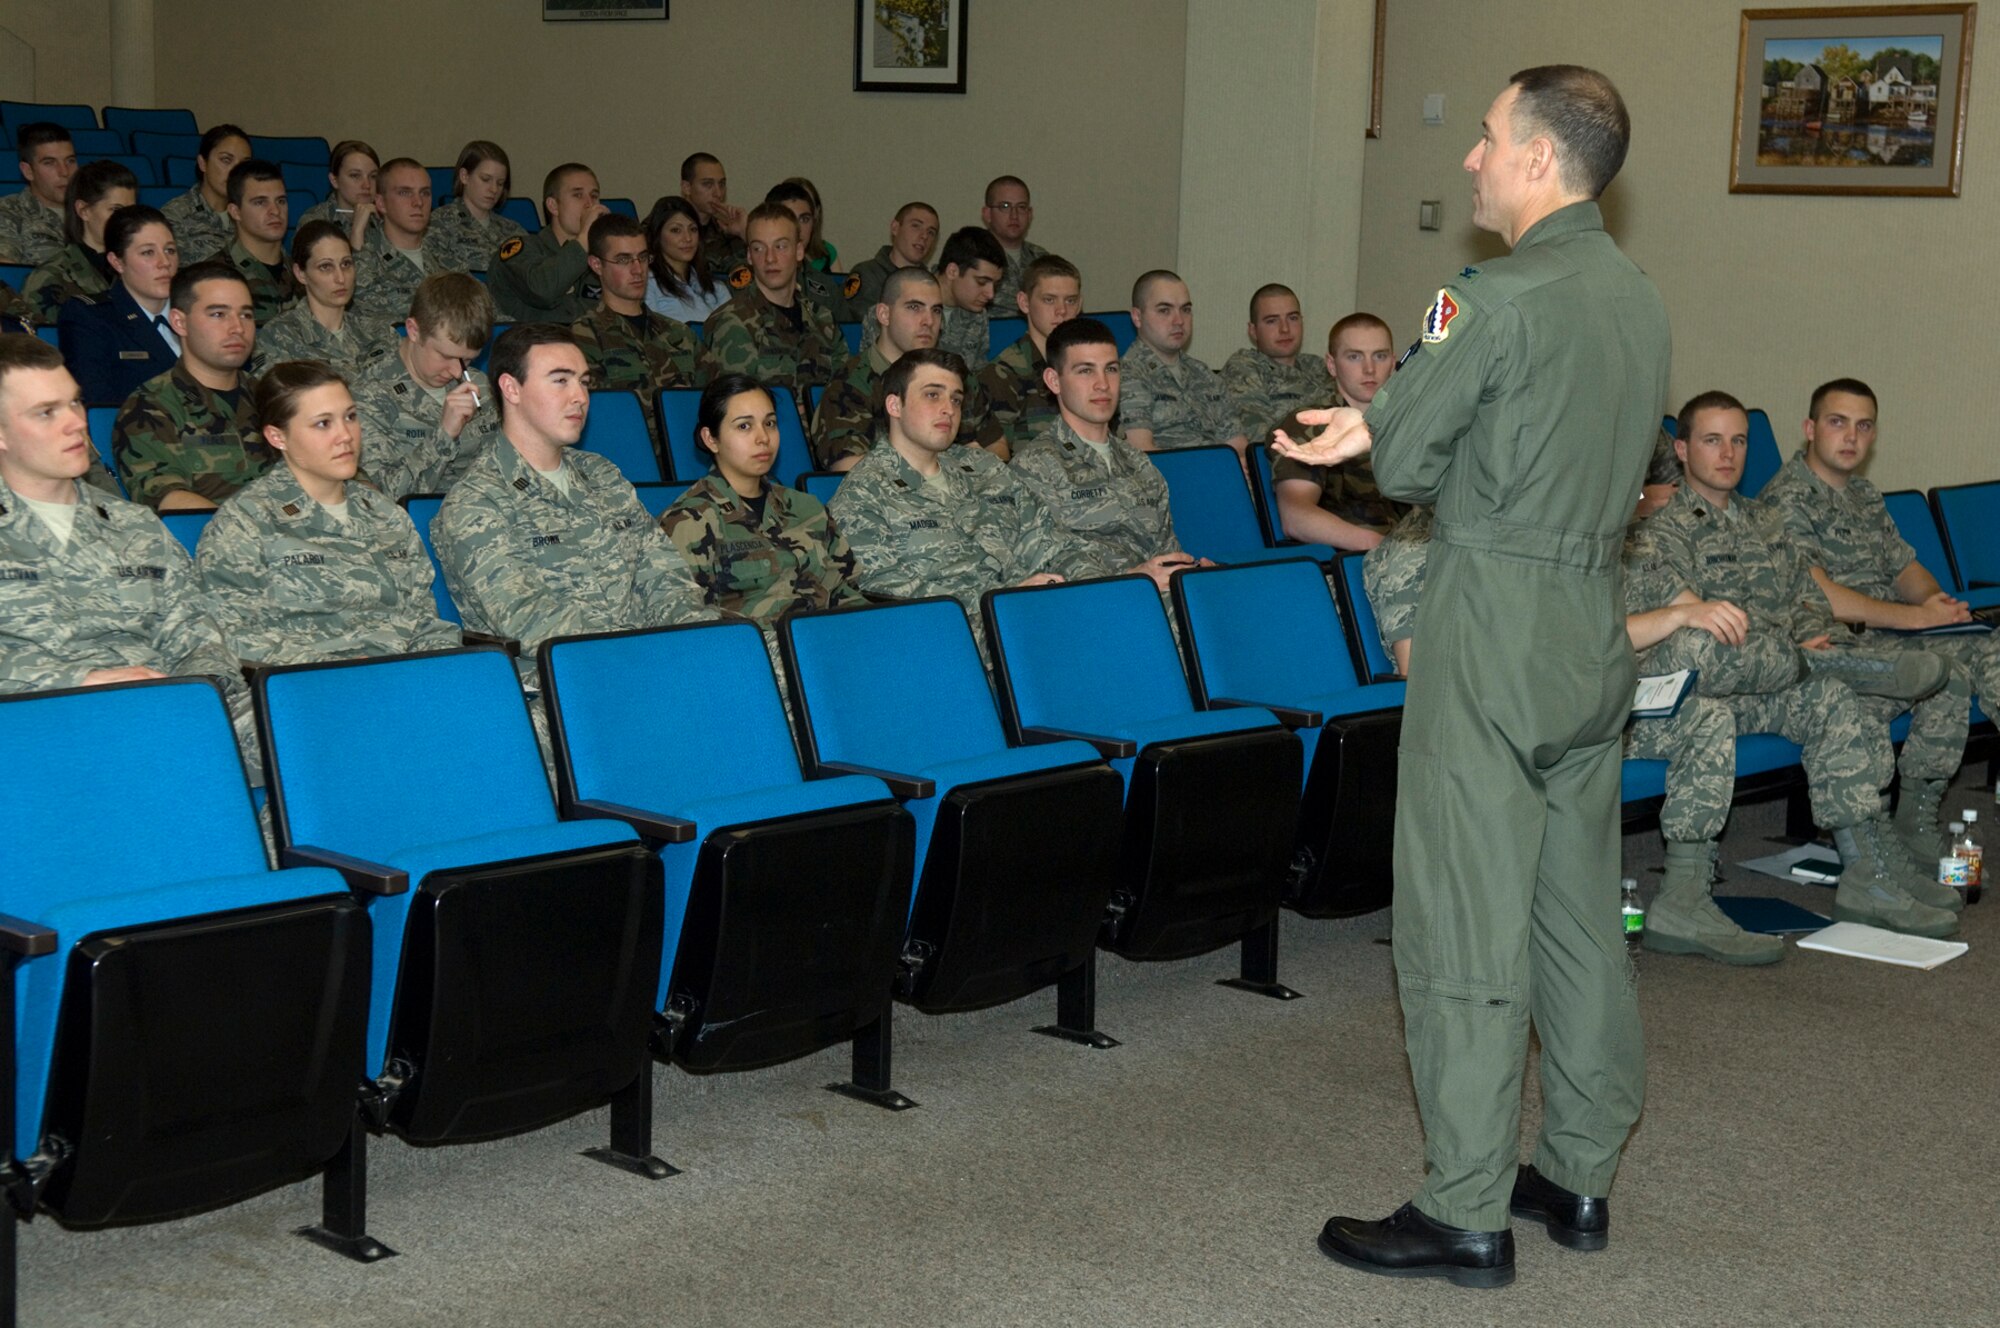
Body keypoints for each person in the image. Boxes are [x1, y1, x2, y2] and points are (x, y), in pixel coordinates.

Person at [1282, 67, 1669, 1288]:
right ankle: (1577, 1170)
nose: (1471, 161)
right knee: (1575, 913)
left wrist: (1365, 428)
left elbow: (1408, 461)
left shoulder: (1482, 296)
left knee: (1459, 911)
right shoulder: (1636, 298)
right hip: (1588, 622)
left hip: (1492, 616)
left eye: (1489, 140)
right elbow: (1510, 432)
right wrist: (1388, 422)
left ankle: (1461, 1206)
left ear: (1541, 160)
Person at [1638, 391, 1963, 939]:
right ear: (1683, 447)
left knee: (1834, 701)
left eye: (1738, 441)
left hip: (1769, 682)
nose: (1728, 454)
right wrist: (1798, 651)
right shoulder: (1659, 530)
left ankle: (1868, 870)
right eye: (1712, 440)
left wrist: (1811, 631)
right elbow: (1697, 630)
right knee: (1722, 650)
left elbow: (1804, 593)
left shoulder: (1763, 521)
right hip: (1702, 690)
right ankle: (1850, 669)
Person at [1755, 376, 1994, 863]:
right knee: (1946, 673)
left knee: (1990, 649)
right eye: (1838, 423)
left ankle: (1916, 816)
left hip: (1896, 631)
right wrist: (1917, 620)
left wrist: (1938, 606)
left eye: (1864, 426)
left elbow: (1904, 566)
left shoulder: (1863, 494)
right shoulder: (1784, 500)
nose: (1852, 437)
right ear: (1809, 428)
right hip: (1846, 642)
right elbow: (1822, 596)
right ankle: (1901, 826)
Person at [0, 333, 257, 764]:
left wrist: (188, 696)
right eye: (46, 413)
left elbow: (196, 634)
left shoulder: (135, 526)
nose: (76, 423)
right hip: (38, 726)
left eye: (75, 403)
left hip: (166, 709)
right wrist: (80, 680)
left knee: (307, 744)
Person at [431, 323, 711, 694]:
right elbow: (528, 619)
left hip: (653, 661)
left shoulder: (602, 474)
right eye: (560, 381)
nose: (580, 396)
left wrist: (698, 640)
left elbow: (663, 574)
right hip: (567, 686)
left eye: (583, 381)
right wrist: (646, 650)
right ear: (511, 388)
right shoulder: (476, 502)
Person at [832, 348, 1100, 658]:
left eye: (956, 400)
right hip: (951, 645)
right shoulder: (863, 492)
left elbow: (1051, 541)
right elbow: (888, 594)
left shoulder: (983, 467)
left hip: (1033, 620)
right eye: (933, 395)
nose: (948, 409)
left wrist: (1092, 587)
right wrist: (1005, 600)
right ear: (895, 405)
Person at [196, 359, 461, 664]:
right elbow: (234, 637)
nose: (346, 435)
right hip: (307, 689)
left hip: (402, 681)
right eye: (323, 423)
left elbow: (423, 620)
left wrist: (435, 673)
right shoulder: (244, 524)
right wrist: (336, 673)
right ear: (277, 437)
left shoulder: (386, 514)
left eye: (350, 417)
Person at [1011, 318, 1206, 590]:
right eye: (1085, 371)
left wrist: (1192, 572)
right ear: (1054, 381)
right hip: (1097, 607)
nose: (1103, 384)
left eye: (1111, 369)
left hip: (1159, 601)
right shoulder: (1034, 466)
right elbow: (1051, 566)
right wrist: (1132, 579)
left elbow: (1167, 552)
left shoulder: (1139, 463)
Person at [659, 373, 866, 627]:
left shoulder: (807, 508)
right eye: (744, 426)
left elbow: (846, 591)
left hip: (830, 647)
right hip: (754, 658)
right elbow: (691, 625)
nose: (763, 438)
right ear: (711, 439)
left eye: (770, 423)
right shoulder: (687, 521)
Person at [112, 260, 268, 512]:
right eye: (218, 314)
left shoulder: (273, 398)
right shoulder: (150, 407)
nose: (238, 328)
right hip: (217, 542)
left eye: (246, 315)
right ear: (179, 322)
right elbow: (169, 499)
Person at [349, 271, 503, 500]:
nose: (457, 372)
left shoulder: (480, 384)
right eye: (445, 356)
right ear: (413, 331)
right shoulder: (367, 396)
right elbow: (384, 498)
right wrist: (444, 435)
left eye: (468, 360)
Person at [1269, 314, 1405, 549]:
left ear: (1393, 363)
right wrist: (1380, 546)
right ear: (1331, 365)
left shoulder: (1410, 424)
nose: (1369, 369)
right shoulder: (1309, 423)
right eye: (1354, 356)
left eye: (1380, 356)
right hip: (1354, 560)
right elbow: (1296, 518)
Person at [570, 212, 711, 440]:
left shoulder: (679, 333)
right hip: (627, 456)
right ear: (596, 265)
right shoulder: (585, 336)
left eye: (643, 257)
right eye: (624, 260)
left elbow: (720, 396)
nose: (638, 270)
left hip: (688, 450)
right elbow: (600, 415)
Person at [701, 203, 848, 413]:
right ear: (749, 256)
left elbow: (845, 393)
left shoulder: (822, 319)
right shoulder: (733, 322)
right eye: (759, 248)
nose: (770, 259)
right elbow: (739, 411)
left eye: (780, 246)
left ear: (799, 251)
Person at [811, 265, 942, 470]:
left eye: (936, 310)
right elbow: (847, 467)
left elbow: (995, 446)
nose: (929, 321)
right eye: (914, 307)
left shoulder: (950, 377)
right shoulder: (849, 386)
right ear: (884, 314)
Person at [58, 205, 180, 405]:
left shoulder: (194, 312)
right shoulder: (91, 317)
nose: (164, 262)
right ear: (117, 262)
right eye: (148, 252)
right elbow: (96, 402)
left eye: (170, 250)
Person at [1120, 270, 1248, 458]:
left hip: (1222, 476)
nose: (1179, 321)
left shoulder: (1203, 373)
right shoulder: (1127, 373)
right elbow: (1142, 452)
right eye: (1165, 310)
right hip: (1170, 480)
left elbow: (1238, 445)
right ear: (1137, 317)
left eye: (1185, 310)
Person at [972, 252, 1081, 460]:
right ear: (1024, 302)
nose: (1062, 311)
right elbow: (998, 461)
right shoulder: (1001, 375)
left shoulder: (1090, 368)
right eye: (1049, 300)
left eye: (1071, 300)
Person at [252, 221, 392, 378]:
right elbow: (275, 399)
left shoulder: (378, 330)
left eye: (346, 264)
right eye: (326, 267)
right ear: (300, 273)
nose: (340, 278)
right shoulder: (278, 337)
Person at [487, 162, 608, 324]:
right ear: (553, 206)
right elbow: (543, 291)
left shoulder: (599, 258)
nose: (590, 204)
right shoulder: (520, 250)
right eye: (578, 195)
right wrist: (584, 238)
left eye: (594, 196)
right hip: (537, 344)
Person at [21, 159, 137, 324]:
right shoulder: (50, 277)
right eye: (115, 210)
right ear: (84, 211)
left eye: (131, 210)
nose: (126, 219)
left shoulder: (140, 267)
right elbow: (44, 342)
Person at [1220, 284, 1335, 442]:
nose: (1285, 329)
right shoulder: (1244, 367)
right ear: (1253, 331)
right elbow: (1261, 438)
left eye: (1292, 318)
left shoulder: (1318, 366)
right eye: (1272, 321)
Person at [348, 158, 447, 327]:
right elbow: (368, 315)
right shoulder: (364, 257)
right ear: (380, 203)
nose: (418, 202)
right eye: (404, 192)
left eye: (425, 193)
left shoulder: (445, 253)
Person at [427, 140, 527, 275]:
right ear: (464, 176)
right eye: (486, 179)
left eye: (500, 183)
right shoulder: (438, 224)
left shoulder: (513, 230)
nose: (494, 189)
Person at [766, 180, 858, 323]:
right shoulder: (757, 279)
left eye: (804, 219)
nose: (798, 228)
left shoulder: (826, 287)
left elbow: (848, 337)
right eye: (789, 218)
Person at [162, 124, 250, 263]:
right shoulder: (175, 215)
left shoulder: (252, 215)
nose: (235, 171)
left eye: (243, 164)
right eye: (226, 160)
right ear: (203, 163)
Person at [222, 159, 296, 324]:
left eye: (281, 201)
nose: (275, 211)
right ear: (235, 212)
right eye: (260, 202)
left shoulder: (304, 273)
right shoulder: (217, 277)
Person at [848, 202, 940, 332]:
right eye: (916, 226)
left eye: (931, 232)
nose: (924, 236)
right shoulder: (866, 275)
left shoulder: (932, 284)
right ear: (895, 228)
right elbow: (864, 329)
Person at [641, 195, 729, 325]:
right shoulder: (646, 284)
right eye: (676, 230)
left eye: (693, 229)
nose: (687, 238)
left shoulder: (716, 288)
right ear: (658, 236)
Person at [0, 123, 77, 265]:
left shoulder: (94, 210)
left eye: (70, 161)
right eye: (50, 163)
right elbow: (6, 271)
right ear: (28, 171)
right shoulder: (8, 212)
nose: (64, 172)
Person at [933, 225, 1007, 370]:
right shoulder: (907, 303)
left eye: (995, 284)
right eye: (982, 282)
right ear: (953, 271)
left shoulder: (977, 315)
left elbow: (977, 375)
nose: (990, 294)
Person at [297, 139, 379, 253]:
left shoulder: (384, 218)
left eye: (373, 176)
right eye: (355, 175)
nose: (367, 185)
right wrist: (357, 232)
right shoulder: (315, 222)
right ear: (334, 180)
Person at [982, 175, 1047, 314]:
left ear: (1030, 214)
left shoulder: (1040, 257)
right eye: (1005, 206)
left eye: (1021, 207)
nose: (1014, 215)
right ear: (987, 214)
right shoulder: (971, 256)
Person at [680, 152, 746, 272]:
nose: (718, 193)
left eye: (722, 184)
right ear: (686, 188)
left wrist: (745, 231)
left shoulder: (726, 229)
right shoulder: (663, 226)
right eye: (708, 184)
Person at [782, 175, 838, 271]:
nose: (798, 227)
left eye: (804, 218)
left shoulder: (827, 252)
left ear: (816, 212)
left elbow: (839, 284)